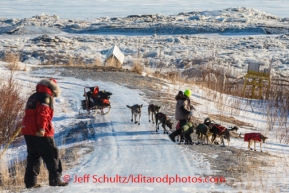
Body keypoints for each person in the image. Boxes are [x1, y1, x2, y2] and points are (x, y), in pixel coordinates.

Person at [21, 78, 68, 188]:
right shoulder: (46, 97)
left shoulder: (33, 96)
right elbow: (43, 114)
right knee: (52, 155)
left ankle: (30, 183)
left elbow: (29, 112)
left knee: (33, 156)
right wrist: (42, 128)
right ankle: (55, 180)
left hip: (27, 130)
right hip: (39, 131)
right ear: (53, 88)